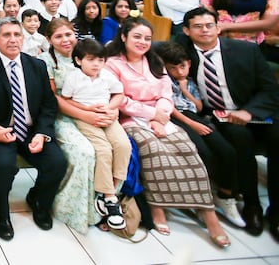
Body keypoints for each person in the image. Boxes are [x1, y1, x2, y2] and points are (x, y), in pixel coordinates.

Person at [105, 17, 230, 247]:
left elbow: (166, 94)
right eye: (137, 37)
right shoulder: (113, 64)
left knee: (187, 148)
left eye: (147, 38)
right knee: (153, 150)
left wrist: (160, 116)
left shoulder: (155, 61)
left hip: (162, 117)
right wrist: (152, 116)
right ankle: (157, 206)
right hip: (131, 118)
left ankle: (208, 213)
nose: (143, 42)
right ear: (124, 37)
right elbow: (120, 99)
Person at [178, 8, 279, 240]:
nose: (205, 30)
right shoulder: (183, 55)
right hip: (221, 115)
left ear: (218, 27)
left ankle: (277, 212)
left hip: (256, 109)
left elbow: (270, 89)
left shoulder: (246, 50)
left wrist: (249, 111)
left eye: (209, 25)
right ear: (186, 31)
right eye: (198, 26)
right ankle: (252, 205)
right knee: (240, 141)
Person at [0, 17, 67, 240]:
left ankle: (39, 201)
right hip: (2, 130)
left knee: (57, 162)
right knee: (2, 166)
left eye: (17, 34)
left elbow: (49, 104)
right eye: (6, 35)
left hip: (31, 130)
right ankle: (1, 212)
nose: (13, 40)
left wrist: (42, 133)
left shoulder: (36, 65)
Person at [154, 41, 245, 228]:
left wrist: (186, 90)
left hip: (195, 116)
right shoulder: (164, 82)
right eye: (173, 68)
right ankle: (203, 200)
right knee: (203, 152)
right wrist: (192, 124)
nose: (179, 72)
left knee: (227, 151)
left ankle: (226, 194)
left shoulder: (190, 81)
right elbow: (170, 108)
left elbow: (199, 107)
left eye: (182, 66)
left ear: (188, 63)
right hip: (178, 118)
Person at [38, 18, 102, 233]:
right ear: (49, 39)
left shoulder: (86, 54)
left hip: (92, 112)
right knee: (84, 152)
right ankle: (68, 208)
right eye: (58, 36)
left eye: (68, 34)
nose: (65, 40)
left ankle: (102, 205)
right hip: (62, 117)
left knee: (108, 150)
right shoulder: (46, 61)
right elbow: (53, 98)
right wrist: (85, 114)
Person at [61, 39, 131, 231]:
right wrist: (87, 109)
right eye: (91, 60)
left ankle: (109, 192)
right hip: (86, 117)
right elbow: (66, 99)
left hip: (107, 115)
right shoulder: (73, 78)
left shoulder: (106, 76)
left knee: (124, 145)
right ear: (78, 60)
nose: (96, 64)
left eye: (100, 60)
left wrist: (109, 108)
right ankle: (110, 198)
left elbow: (119, 94)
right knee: (103, 149)